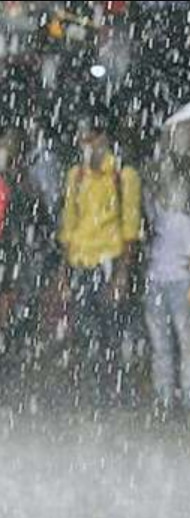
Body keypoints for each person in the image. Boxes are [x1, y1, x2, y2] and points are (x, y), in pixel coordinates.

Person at [57, 111, 142, 406]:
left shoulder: (123, 176)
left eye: (91, 138)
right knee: (79, 334)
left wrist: (121, 276)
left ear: (104, 139)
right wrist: (64, 275)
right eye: (83, 139)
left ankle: (109, 396)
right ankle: (84, 396)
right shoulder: (76, 176)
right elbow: (68, 228)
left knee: (110, 336)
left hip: (108, 267)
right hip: (81, 266)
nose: (86, 144)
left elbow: (130, 230)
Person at [143, 158, 190, 419]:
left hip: (178, 280)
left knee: (179, 343)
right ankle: (169, 398)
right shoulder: (155, 205)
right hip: (160, 279)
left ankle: (181, 398)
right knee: (168, 344)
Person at [0, 127, 58, 394]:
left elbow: (38, 226)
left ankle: (11, 381)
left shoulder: (23, 186)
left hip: (14, 266)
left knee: (14, 323)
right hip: (13, 263)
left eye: (8, 146)